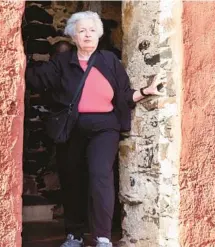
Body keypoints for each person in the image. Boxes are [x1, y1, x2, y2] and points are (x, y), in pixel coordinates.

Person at [25, 11, 165, 247]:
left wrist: (145, 91)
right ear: (73, 36)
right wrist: (18, 62)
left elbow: (122, 95)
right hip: (71, 127)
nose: (87, 34)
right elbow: (37, 80)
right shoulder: (62, 61)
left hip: (104, 127)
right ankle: (75, 235)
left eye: (92, 30)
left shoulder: (109, 61)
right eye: (81, 31)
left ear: (99, 34)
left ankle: (102, 236)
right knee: (72, 180)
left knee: (101, 176)